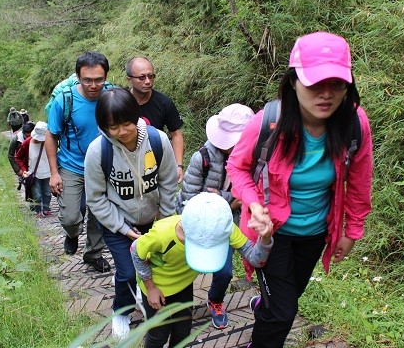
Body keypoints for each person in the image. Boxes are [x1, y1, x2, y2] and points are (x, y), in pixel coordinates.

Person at [226, 31, 373, 348]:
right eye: (315, 83)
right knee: (282, 313)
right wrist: (252, 204)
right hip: (271, 233)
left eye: (337, 83)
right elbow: (236, 166)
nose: (326, 94)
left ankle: (264, 305)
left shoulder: (354, 124)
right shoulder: (268, 123)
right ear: (293, 82)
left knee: (287, 297)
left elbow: (360, 180)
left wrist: (352, 230)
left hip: (315, 232)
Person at [84, 88, 179, 340]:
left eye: (127, 123)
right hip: (119, 224)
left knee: (156, 265)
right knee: (126, 272)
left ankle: (150, 299)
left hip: (154, 220)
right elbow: (95, 198)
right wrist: (124, 229)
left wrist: (166, 220)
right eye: (113, 127)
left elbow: (169, 182)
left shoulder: (158, 141)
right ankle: (121, 311)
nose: (122, 131)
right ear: (104, 125)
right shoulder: (98, 151)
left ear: (136, 116)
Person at [131, 192, 273, 348]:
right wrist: (150, 287)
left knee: (182, 332)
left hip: (184, 285)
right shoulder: (162, 233)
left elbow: (255, 259)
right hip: (157, 286)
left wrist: (265, 239)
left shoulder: (222, 227)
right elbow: (135, 250)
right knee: (158, 334)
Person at [176, 103, 254, 329]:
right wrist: (231, 200)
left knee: (224, 271)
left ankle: (216, 300)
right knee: (185, 267)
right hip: (196, 223)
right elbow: (188, 197)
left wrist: (221, 196)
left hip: (227, 225)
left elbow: (255, 194)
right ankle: (180, 306)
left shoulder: (255, 158)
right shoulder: (203, 158)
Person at [45, 51, 112, 273]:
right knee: (71, 216)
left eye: (99, 79)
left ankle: (93, 253)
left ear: (106, 77)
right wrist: (54, 172)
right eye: (87, 80)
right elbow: (51, 135)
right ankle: (72, 233)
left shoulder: (112, 96)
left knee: (99, 213)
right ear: (78, 77)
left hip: (104, 166)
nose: (94, 85)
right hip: (71, 166)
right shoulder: (65, 100)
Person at [126, 57, 185, 183]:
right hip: (125, 161)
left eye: (151, 76)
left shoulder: (164, 103)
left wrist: (178, 165)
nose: (147, 81)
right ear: (129, 79)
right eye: (141, 77)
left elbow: (176, 134)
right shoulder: (121, 102)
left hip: (155, 161)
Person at [15, 121, 52, 217]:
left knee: (47, 193)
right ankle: (38, 211)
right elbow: (18, 157)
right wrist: (23, 170)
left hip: (47, 172)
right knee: (37, 195)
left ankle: (46, 210)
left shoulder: (50, 141)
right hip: (33, 174)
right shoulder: (27, 142)